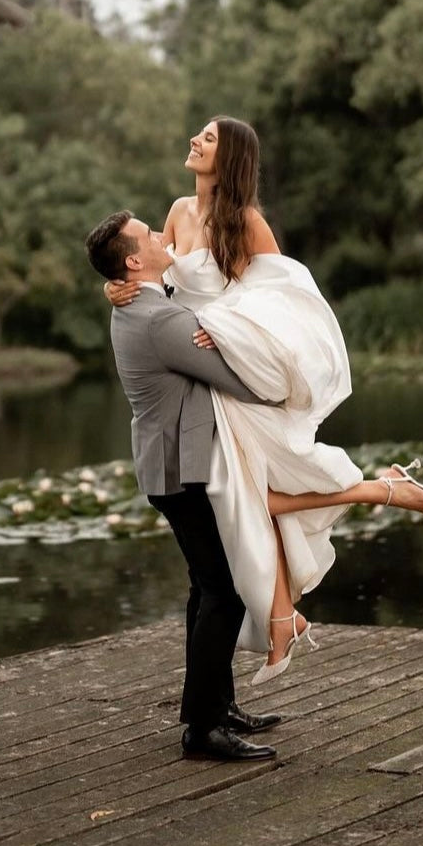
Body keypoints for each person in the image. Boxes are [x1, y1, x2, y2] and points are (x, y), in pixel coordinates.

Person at [104, 116, 423, 685]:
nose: (194, 140)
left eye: (208, 138)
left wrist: (229, 330)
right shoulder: (177, 212)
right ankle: (296, 603)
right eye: (198, 133)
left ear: (230, 157)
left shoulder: (246, 223)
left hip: (234, 367)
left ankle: (379, 497)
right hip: (204, 380)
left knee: (256, 498)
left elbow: (285, 298)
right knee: (254, 500)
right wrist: (114, 283)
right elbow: (152, 272)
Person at [85, 209, 281, 763]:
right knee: (225, 591)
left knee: (206, 587)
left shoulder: (144, 303)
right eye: (149, 235)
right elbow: (235, 376)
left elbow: (173, 285)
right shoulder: (161, 321)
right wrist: (283, 386)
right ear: (132, 260)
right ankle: (201, 729)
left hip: (170, 466)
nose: (160, 236)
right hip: (179, 470)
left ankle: (218, 705)